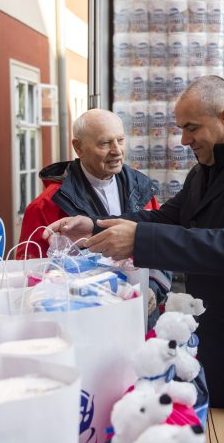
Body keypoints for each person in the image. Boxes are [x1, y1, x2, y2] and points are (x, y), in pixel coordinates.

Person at [44, 76, 224, 443]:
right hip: (221, 351)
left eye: (191, 128)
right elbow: (169, 218)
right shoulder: (206, 169)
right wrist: (97, 224)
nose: (184, 140)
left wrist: (139, 242)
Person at [16, 108, 170, 327]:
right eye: (105, 143)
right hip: (79, 324)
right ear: (78, 147)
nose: (117, 151)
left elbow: (161, 247)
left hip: (141, 318)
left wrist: (152, 289)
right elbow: (30, 277)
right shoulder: (46, 206)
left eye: (120, 140)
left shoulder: (143, 190)